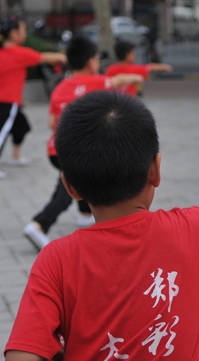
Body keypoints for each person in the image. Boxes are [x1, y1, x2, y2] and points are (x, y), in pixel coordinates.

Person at [4, 91, 199, 360]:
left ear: (71, 187)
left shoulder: (56, 259)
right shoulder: (192, 228)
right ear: (155, 171)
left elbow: (22, 353)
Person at [22, 37, 144, 251]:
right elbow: (117, 81)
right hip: (76, 149)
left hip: (55, 148)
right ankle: (39, 224)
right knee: (68, 188)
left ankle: (86, 215)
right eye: (97, 59)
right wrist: (135, 76)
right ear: (90, 62)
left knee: (83, 176)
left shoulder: (60, 88)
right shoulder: (96, 82)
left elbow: (52, 121)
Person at [0, 16, 67, 180]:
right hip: (8, 101)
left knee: (22, 127)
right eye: (23, 30)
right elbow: (45, 57)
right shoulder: (20, 53)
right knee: (0, 132)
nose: (24, 34)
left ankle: (16, 158)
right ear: (15, 34)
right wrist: (63, 57)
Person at [104, 40, 173, 97]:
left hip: (113, 100)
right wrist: (164, 67)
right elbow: (150, 67)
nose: (135, 55)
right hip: (130, 102)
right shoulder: (134, 69)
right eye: (133, 53)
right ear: (128, 55)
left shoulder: (110, 69)